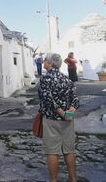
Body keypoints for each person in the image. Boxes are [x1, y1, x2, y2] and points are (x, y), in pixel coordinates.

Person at [38, 53, 79, 182]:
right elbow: (75, 99)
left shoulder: (46, 79)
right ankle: (72, 178)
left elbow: (47, 99)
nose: (43, 62)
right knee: (69, 150)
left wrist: (60, 112)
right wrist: (69, 112)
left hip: (51, 120)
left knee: (52, 151)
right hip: (67, 120)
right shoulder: (67, 79)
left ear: (50, 64)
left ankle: (53, 180)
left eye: (45, 60)